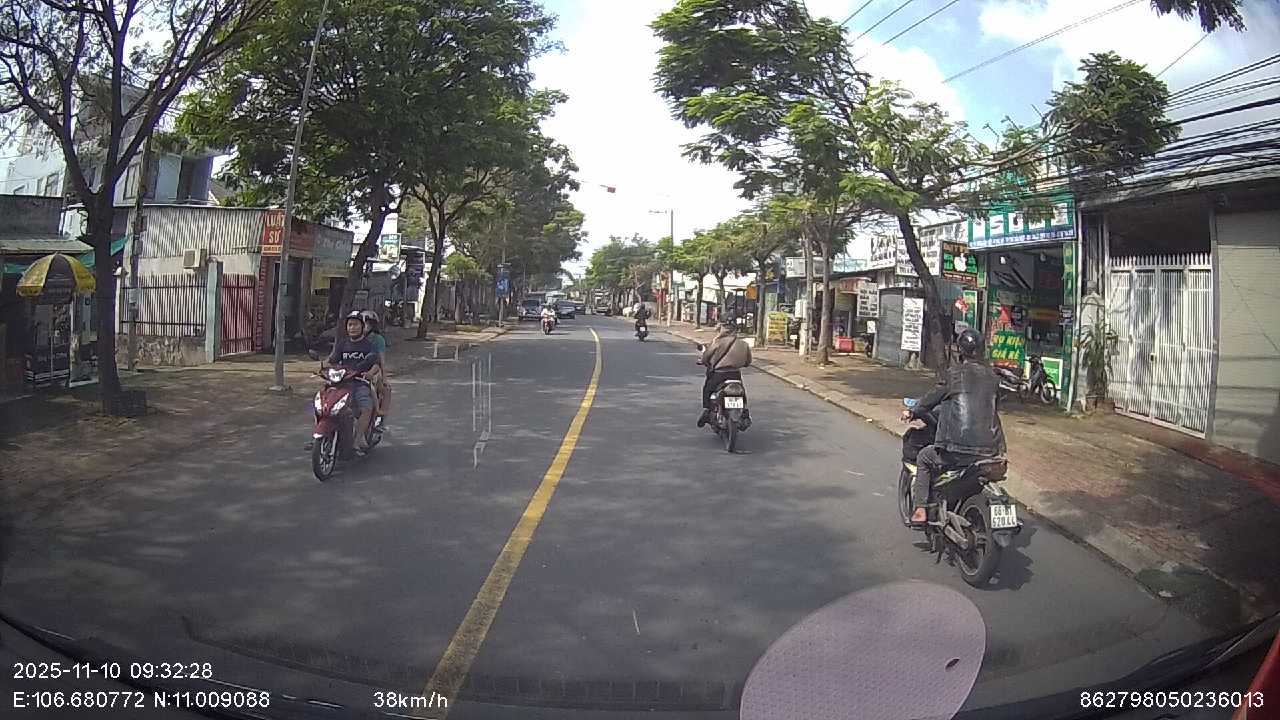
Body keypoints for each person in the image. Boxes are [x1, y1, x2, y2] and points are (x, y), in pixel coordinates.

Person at [901, 327, 1005, 524]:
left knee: (924, 458)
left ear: (960, 350)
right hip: (991, 451)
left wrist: (913, 411)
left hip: (958, 450)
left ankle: (920, 510)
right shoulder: (993, 378)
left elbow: (931, 398)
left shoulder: (954, 374)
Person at [324, 311, 381, 452]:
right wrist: (323, 367)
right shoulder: (342, 344)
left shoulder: (368, 345)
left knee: (366, 408)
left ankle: (358, 438)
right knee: (323, 406)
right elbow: (332, 360)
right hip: (341, 383)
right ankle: (321, 434)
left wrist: (370, 373)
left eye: (355, 325)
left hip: (360, 383)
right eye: (350, 325)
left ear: (362, 327)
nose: (352, 328)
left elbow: (376, 364)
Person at [698, 321, 753, 427]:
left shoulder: (718, 342)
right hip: (735, 374)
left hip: (719, 374)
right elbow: (748, 362)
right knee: (741, 392)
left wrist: (704, 361)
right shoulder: (744, 344)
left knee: (708, 389)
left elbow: (706, 357)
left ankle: (707, 410)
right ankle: (745, 412)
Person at [360, 310, 391, 419]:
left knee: (382, 388)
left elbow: (381, 360)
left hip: (373, 369)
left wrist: (384, 378)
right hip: (355, 370)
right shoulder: (354, 339)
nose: (364, 326)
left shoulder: (378, 339)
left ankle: (379, 411)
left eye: (367, 323)